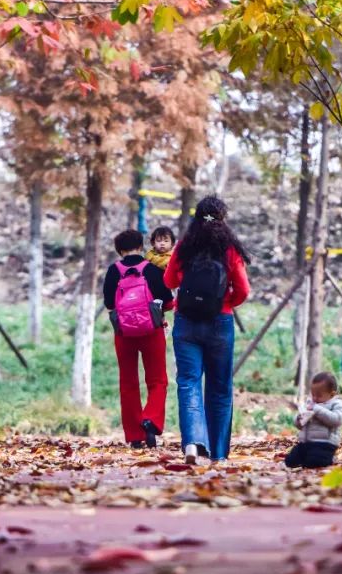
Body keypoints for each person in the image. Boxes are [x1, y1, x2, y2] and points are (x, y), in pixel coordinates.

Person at [163, 196, 250, 465]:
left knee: (188, 382)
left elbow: (169, 280)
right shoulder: (229, 249)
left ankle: (192, 443)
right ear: (222, 219)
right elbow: (243, 290)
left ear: (196, 217)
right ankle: (219, 455)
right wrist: (224, 302)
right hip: (220, 322)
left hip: (186, 321)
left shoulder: (184, 246)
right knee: (220, 388)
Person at [103, 229, 173, 449]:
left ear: (119, 250)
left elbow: (109, 304)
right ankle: (150, 419)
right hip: (152, 331)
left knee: (128, 382)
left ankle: (135, 435)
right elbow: (168, 302)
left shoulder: (113, 271)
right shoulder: (153, 269)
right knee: (158, 380)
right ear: (141, 247)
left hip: (124, 334)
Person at [285, 372, 342, 469]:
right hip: (306, 442)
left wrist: (317, 409)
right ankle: (307, 459)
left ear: (332, 394)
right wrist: (299, 418)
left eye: (319, 395)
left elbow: (337, 420)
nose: (315, 398)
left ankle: (328, 459)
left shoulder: (336, 404)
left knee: (314, 462)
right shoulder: (311, 404)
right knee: (290, 461)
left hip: (325, 443)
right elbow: (299, 425)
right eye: (313, 394)